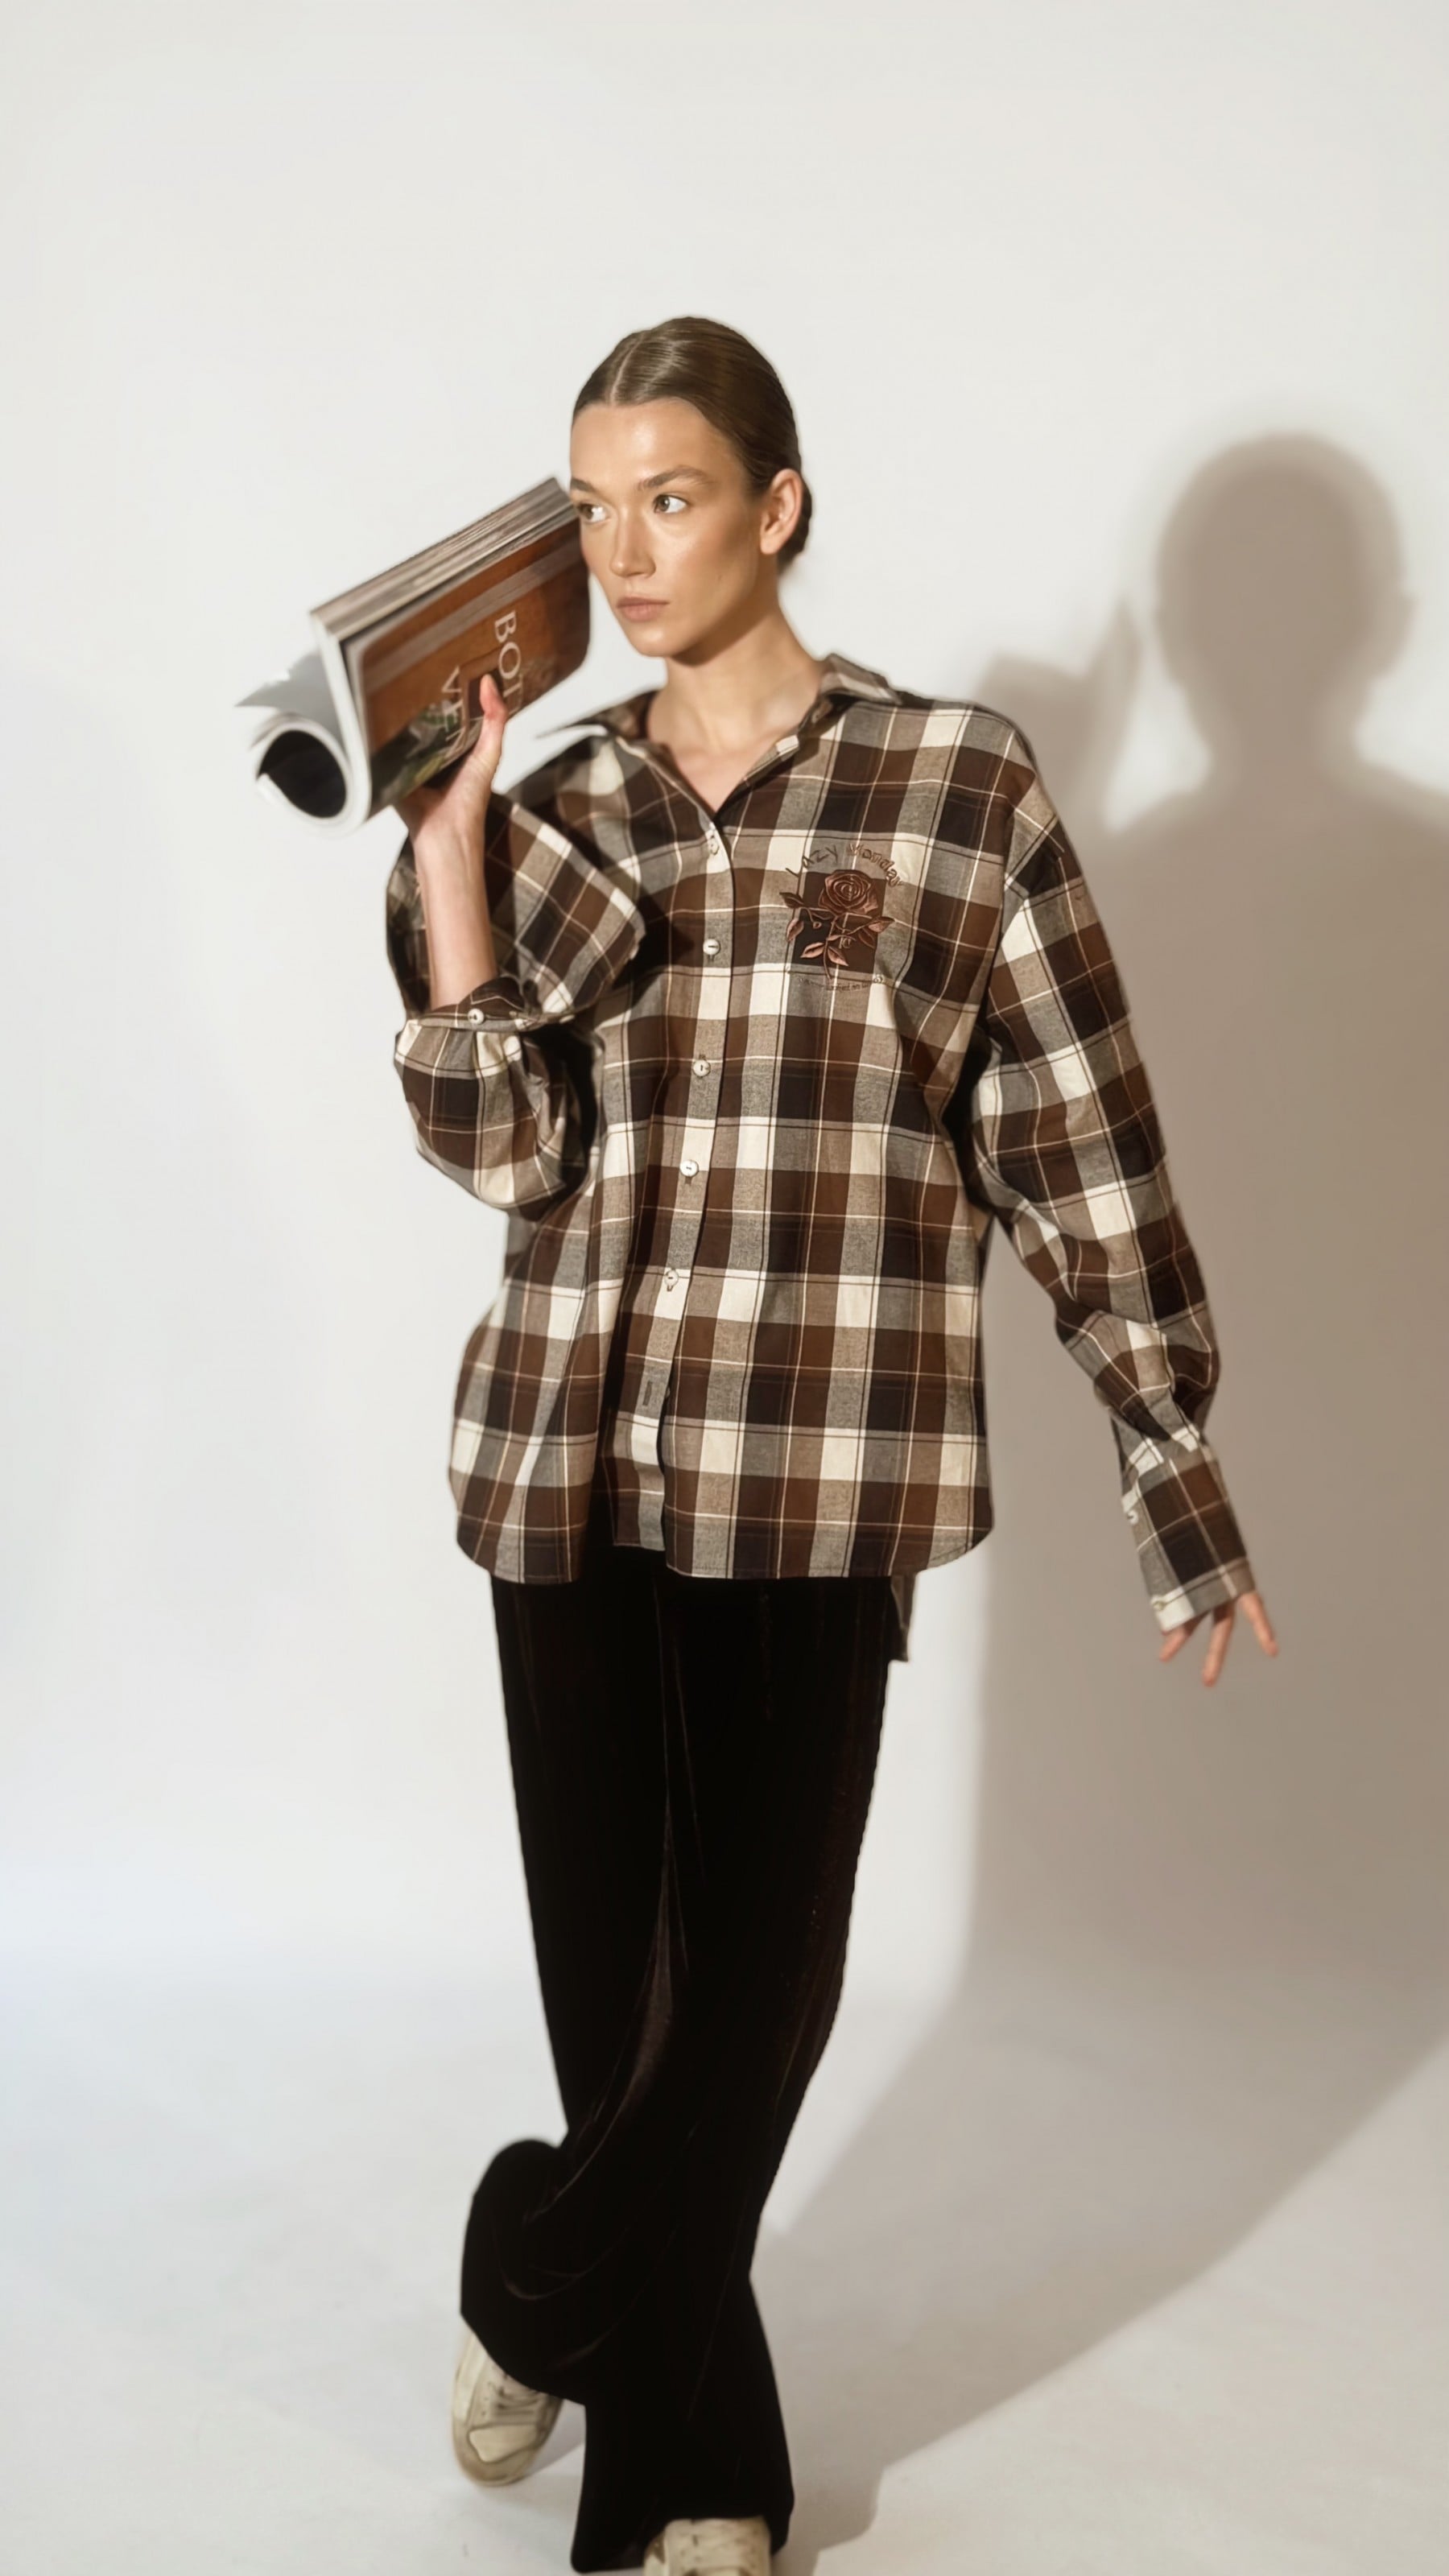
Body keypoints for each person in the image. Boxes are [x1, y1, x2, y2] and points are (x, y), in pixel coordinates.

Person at [386, 316, 1278, 2576]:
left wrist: (1172, 1466)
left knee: (755, 2010)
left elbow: (1076, 1146)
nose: (628, 551)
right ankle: (696, 2475)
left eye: (670, 498)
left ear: (776, 505)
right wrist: (452, 864)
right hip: (568, 1470)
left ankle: (528, 2272)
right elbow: (502, 1152)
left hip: (820, 1474)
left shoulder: (956, 789)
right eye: (593, 508)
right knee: (625, 2019)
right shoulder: (554, 808)